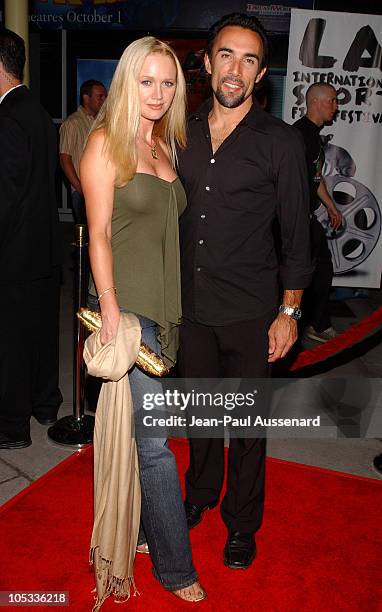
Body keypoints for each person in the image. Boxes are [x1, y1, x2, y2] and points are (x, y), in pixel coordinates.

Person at [177, 13, 312, 569]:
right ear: (207, 64)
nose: (235, 70)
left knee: (246, 427)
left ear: (261, 76)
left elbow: (298, 235)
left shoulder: (279, 142)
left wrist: (289, 312)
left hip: (252, 311)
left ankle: (242, 522)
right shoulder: (178, 132)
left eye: (249, 59)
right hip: (189, 307)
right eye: (226, 56)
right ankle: (201, 492)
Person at [80, 37, 205, 602]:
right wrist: (109, 306)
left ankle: (146, 532)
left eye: (168, 82)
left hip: (166, 307)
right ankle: (176, 569)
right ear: (128, 80)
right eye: (147, 80)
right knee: (155, 444)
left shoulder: (164, 145)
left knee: (143, 438)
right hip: (129, 310)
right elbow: (99, 233)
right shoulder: (105, 143)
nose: (157, 93)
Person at [0, 29, 62, 449]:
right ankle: (45, 404)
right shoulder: (37, 112)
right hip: (42, 249)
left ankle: (10, 427)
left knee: (10, 344)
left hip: (14, 255)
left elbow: (5, 195)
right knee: (41, 335)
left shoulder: (6, 117)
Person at [294, 83, 343, 343]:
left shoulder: (313, 136)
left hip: (306, 218)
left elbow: (316, 176)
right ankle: (316, 324)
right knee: (314, 270)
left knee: (319, 270)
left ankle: (316, 323)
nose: (336, 107)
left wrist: (331, 206)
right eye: (333, 101)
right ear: (316, 102)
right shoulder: (298, 135)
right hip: (295, 221)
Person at [60, 79, 107, 223]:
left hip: (101, 189)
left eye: (105, 97)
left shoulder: (101, 123)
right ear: (86, 98)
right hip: (82, 192)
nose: (104, 100)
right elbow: (64, 160)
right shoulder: (72, 123)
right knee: (84, 237)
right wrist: (80, 189)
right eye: (100, 96)